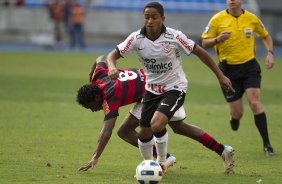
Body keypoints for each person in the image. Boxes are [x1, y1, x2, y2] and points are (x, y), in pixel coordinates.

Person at [106, 2, 235, 174]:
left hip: (175, 87)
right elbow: (112, 55)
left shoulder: (174, 36)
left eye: (154, 17)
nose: (150, 21)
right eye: (146, 17)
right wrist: (111, 66)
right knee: (151, 132)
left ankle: (161, 163)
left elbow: (200, 52)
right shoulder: (136, 38)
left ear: (162, 18)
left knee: (156, 125)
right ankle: (221, 150)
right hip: (151, 89)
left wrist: (220, 75)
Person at [77, 55, 235, 174]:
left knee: (124, 131)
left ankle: (164, 157)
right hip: (153, 86)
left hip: (155, 91)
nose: (92, 110)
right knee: (180, 127)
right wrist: (92, 74)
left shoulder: (110, 98)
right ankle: (222, 149)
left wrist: (95, 157)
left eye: (91, 106)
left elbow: (106, 131)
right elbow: (101, 58)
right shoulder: (98, 76)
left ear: (97, 97)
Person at [201, 0, 275, 156]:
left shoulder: (252, 18)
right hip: (228, 71)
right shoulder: (217, 20)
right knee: (238, 113)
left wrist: (270, 53)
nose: (232, 0)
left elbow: (266, 36)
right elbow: (204, 42)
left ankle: (267, 145)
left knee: (255, 102)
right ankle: (234, 118)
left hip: (249, 67)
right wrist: (217, 39)